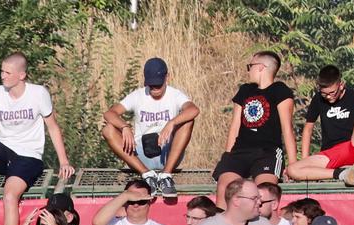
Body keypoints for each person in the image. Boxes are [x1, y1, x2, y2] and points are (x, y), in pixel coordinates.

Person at [0, 53, 73, 225]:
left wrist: (64, 161)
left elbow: (53, 128)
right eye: (2, 71)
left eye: (7, 72)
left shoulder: (38, 93)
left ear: (21, 75)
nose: (3, 76)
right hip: (3, 152)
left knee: (10, 195)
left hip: (28, 156)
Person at [102, 57, 197, 198]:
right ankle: (146, 174)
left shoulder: (175, 95)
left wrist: (172, 123)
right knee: (108, 129)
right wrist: (124, 126)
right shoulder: (138, 95)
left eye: (158, 85)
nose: (155, 89)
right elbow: (109, 113)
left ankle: (166, 175)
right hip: (141, 154)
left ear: (167, 77)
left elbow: (193, 110)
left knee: (188, 121)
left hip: (167, 153)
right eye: (152, 85)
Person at [212, 52, 296, 202]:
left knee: (264, 191)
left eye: (250, 66)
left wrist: (292, 165)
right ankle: (223, 224)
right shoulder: (245, 90)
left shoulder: (280, 91)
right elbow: (235, 126)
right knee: (226, 188)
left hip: (267, 152)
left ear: (261, 67)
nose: (248, 70)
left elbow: (287, 128)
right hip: (240, 150)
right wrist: (227, 156)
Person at [285, 66, 354, 189]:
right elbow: (308, 129)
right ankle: (343, 174)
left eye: (332, 92)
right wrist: (305, 160)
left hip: (353, 146)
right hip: (331, 153)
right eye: (324, 93)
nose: (328, 97)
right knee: (292, 169)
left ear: (341, 85)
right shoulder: (318, 99)